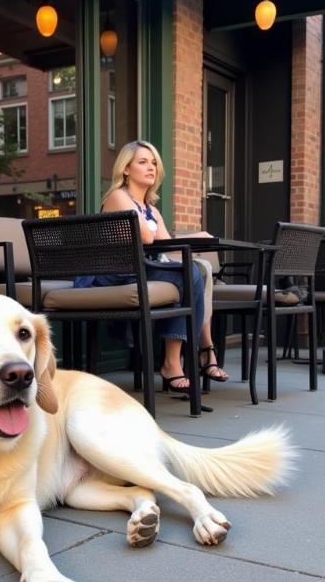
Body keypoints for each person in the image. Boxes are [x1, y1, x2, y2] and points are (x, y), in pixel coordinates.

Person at [89, 139, 229, 393]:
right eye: (142, 162)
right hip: (115, 274)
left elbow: (167, 244)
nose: (151, 167)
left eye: (154, 162)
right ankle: (183, 359)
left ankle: (177, 360)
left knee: (194, 271)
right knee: (189, 274)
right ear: (126, 169)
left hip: (140, 269)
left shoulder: (150, 208)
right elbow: (147, 237)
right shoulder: (117, 197)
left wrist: (200, 236)